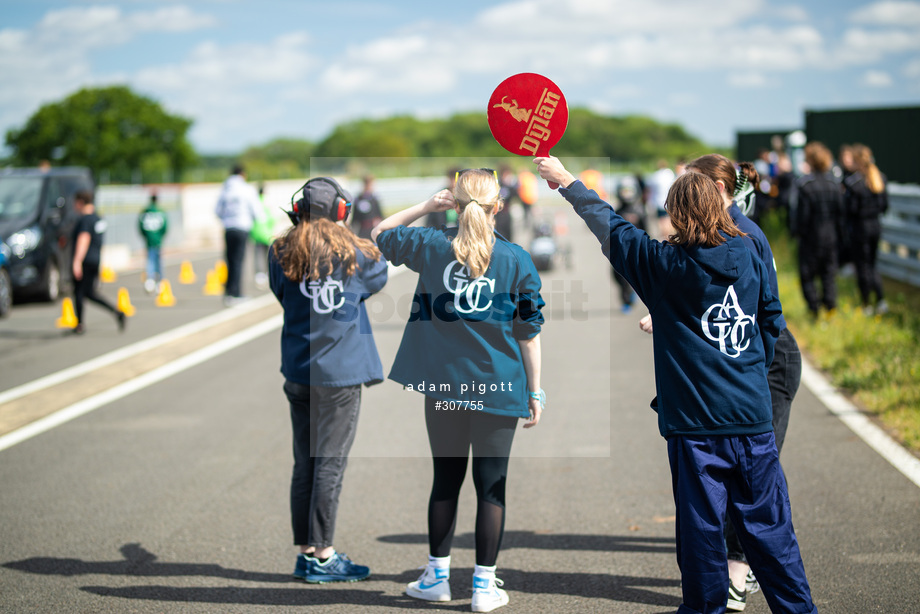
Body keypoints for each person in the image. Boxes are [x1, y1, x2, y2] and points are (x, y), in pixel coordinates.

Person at [534, 156, 817, 614]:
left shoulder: (663, 265)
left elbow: (610, 225)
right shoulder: (750, 249)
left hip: (695, 426)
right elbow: (771, 320)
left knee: (702, 536)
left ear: (678, 215)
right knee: (771, 531)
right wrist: (743, 370)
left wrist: (567, 181)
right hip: (751, 417)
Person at [371, 169, 544, 613]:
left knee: (446, 480)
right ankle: (484, 588)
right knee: (492, 488)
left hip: (445, 388)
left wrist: (428, 206)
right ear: (498, 206)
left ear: (455, 202)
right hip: (499, 388)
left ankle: (437, 578)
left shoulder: (431, 246)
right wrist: (536, 392)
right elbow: (528, 333)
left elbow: (380, 232)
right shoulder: (516, 258)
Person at [683, 153, 804, 611]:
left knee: (753, 481)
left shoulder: (745, 234)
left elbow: (765, 316)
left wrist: (751, 370)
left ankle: (737, 571)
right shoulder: (719, 229)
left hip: (766, 363)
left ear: (716, 189)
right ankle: (734, 567)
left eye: (690, 186)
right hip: (751, 357)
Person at [270, 176, 388, 584]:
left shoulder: (281, 250)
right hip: (338, 375)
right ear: (342, 211)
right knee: (329, 466)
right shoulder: (353, 253)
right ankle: (323, 556)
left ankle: (306, 552)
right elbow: (378, 278)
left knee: (305, 463)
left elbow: (280, 292)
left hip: (299, 370)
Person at [795, 142, 845, 318]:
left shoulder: (805, 185)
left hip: (811, 238)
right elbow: (841, 214)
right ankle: (830, 307)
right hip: (831, 237)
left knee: (807, 275)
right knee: (828, 274)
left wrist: (797, 233)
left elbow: (802, 217)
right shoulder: (835, 184)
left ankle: (814, 309)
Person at [71, 190, 125, 334]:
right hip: (96, 259)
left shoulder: (85, 220)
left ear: (80, 202)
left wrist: (77, 261)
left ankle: (80, 324)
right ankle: (116, 312)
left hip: (85, 260)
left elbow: (84, 238)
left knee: (79, 293)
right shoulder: (98, 218)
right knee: (89, 293)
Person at [845, 144, 889, 315]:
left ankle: (866, 303)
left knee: (862, 266)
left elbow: (850, 210)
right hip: (876, 226)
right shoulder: (881, 178)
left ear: (857, 162)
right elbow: (885, 206)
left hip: (859, 229)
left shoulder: (853, 183)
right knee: (872, 265)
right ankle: (881, 300)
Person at [215, 164, 264, 305]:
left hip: (228, 228)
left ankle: (228, 292)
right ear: (243, 174)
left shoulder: (225, 190)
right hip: (242, 227)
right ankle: (236, 294)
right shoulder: (247, 189)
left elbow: (217, 210)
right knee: (238, 261)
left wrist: (226, 219)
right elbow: (256, 210)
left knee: (229, 260)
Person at [611, 175, 646, 314]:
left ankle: (627, 301)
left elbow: (646, 230)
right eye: (624, 191)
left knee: (631, 276)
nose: (626, 194)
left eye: (629, 191)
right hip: (619, 250)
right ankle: (628, 294)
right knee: (616, 275)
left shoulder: (640, 210)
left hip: (635, 250)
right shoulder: (617, 211)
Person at [138, 192, 168, 294]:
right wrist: (161, 237)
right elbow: (165, 226)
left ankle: (150, 281)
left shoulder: (145, 212)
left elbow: (140, 226)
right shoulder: (160, 212)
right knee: (158, 261)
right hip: (158, 240)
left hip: (149, 240)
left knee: (150, 260)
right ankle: (160, 282)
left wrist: (145, 236)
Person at [250, 183, 275, 289]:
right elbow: (273, 219)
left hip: (256, 233)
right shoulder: (267, 202)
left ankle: (259, 275)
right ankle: (268, 273)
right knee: (268, 256)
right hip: (267, 234)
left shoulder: (254, 202)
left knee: (257, 255)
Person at [646, 159, 675, 240]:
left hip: (658, 201)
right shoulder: (670, 174)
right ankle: (669, 236)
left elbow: (649, 187)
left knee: (662, 221)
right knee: (668, 220)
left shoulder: (656, 175)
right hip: (669, 200)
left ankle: (665, 237)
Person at [351, 175, 383, 240]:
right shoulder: (358, 199)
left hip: (373, 229)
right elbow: (355, 218)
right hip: (362, 230)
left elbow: (379, 215)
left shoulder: (374, 199)